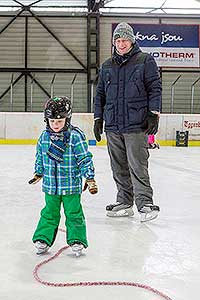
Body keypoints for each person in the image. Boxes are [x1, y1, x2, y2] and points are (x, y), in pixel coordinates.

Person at [93, 22, 162, 222]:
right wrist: (98, 118)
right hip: (113, 124)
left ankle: (145, 203)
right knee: (118, 166)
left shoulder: (145, 61)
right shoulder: (107, 65)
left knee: (137, 165)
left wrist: (153, 113)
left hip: (136, 124)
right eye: (118, 40)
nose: (121, 44)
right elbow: (100, 95)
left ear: (132, 41)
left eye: (124, 40)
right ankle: (124, 200)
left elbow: (155, 88)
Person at [29, 96, 98, 256]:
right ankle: (43, 238)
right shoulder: (44, 137)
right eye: (52, 121)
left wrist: (90, 177)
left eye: (59, 121)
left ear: (68, 119)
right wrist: (39, 172)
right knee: (49, 213)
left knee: (74, 214)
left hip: (71, 186)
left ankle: (77, 240)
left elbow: (84, 158)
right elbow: (40, 155)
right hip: (51, 186)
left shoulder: (75, 136)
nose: (55, 125)